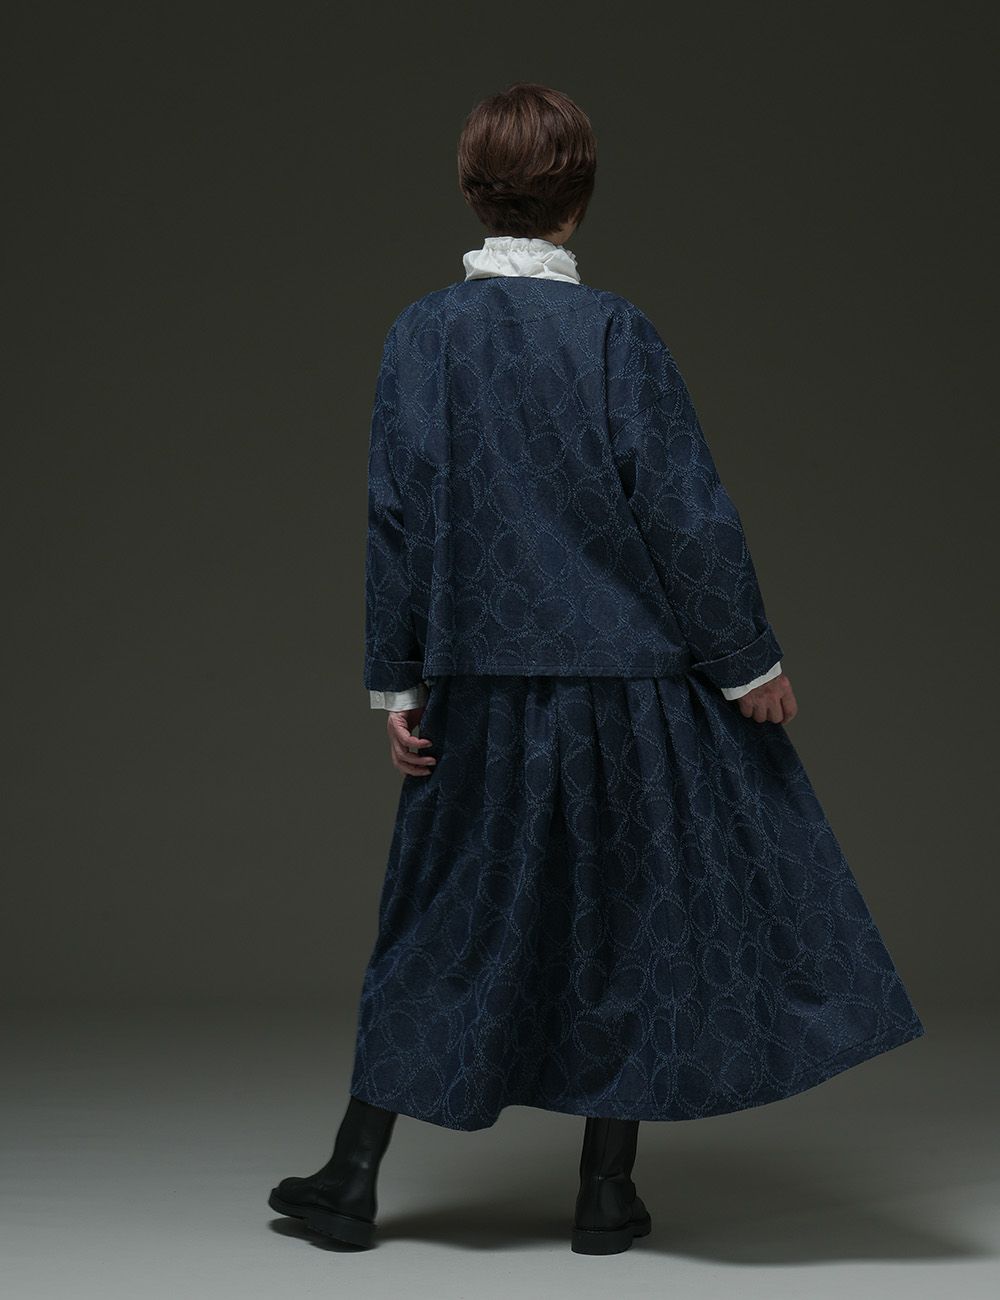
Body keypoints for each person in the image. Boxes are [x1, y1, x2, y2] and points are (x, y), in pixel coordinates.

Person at [268, 82, 925, 1256]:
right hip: (625, 688)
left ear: (472, 192)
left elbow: (394, 517)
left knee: (438, 927)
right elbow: (684, 511)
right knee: (625, 926)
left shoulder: (420, 334)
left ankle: (352, 1175)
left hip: (478, 688)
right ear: (578, 200)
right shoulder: (616, 334)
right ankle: (606, 1191)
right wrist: (747, 662)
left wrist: (399, 683)